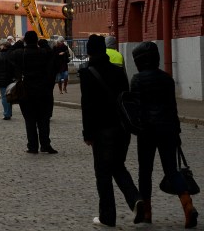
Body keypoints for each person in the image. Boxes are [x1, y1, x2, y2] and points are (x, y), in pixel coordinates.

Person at [130, 41, 198, 228]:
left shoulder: (137, 79)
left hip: (147, 132)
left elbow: (136, 108)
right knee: (172, 171)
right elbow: (172, 108)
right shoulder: (167, 79)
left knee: (145, 172)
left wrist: (135, 127)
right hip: (168, 129)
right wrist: (177, 132)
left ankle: (147, 212)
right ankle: (188, 205)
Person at [80, 35, 144, 227]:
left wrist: (87, 134)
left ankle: (107, 217)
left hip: (102, 130)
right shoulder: (118, 71)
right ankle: (135, 199)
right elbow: (126, 98)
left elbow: (87, 106)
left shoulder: (87, 73)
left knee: (103, 174)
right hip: (122, 128)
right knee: (118, 166)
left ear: (89, 52)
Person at [9, 31, 58, 154]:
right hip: (43, 91)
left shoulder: (20, 53)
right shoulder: (44, 52)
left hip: (26, 91)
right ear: (37, 41)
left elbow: (8, 54)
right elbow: (53, 56)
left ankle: (32, 146)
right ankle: (45, 144)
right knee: (44, 119)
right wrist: (44, 43)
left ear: (25, 40)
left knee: (30, 120)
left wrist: (19, 42)